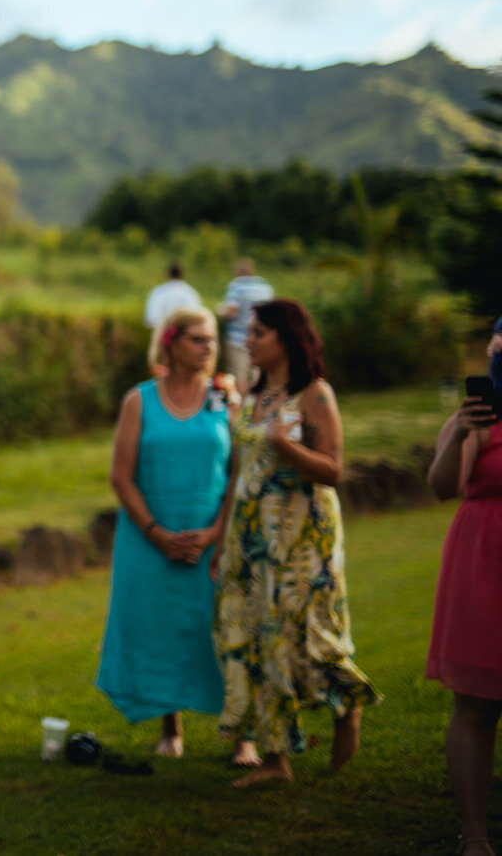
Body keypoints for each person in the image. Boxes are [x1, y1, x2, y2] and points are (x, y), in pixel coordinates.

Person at [212, 298, 380, 788]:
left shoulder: (315, 395)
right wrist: (225, 540)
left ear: (285, 338)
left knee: (306, 635)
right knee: (259, 636)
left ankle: (347, 702)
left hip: (302, 536)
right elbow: (239, 472)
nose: (249, 341)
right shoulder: (253, 393)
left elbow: (333, 469)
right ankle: (275, 758)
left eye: (258, 333)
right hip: (251, 535)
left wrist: (287, 446)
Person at [98, 306, 247, 761]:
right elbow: (121, 477)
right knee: (160, 628)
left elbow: (237, 474)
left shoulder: (224, 398)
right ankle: (171, 729)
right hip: (150, 541)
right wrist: (157, 533)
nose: (209, 348)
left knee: (227, 630)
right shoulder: (139, 399)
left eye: (213, 340)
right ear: (171, 342)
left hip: (214, 540)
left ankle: (245, 735)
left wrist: (217, 532)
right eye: (198, 339)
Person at [425, 317, 502, 856]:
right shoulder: (478, 418)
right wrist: (458, 431)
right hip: (484, 559)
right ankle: (474, 833)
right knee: (475, 707)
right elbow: (442, 486)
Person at [216, 258, 273, 393]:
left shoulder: (237, 285)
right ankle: (254, 406)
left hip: (238, 339)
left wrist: (220, 311)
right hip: (260, 338)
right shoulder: (265, 287)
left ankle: (239, 407)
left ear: (238, 272)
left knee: (238, 375)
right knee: (256, 375)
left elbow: (232, 310)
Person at [144, 260, 201, 330]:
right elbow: (196, 319)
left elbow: (151, 319)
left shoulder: (158, 292)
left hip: (162, 334)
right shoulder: (191, 293)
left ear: (168, 274)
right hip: (186, 334)